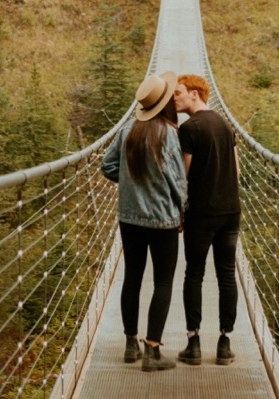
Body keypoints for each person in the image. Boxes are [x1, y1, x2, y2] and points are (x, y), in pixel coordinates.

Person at [101, 71, 187, 372]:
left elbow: (107, 165)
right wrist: (182, 212)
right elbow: (178, 181)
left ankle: (130, 344)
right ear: (164, 104)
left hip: (129, 218)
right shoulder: (170, 134)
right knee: (163, 282)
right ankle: (152, 351)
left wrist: (126, 182)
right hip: (163, 220)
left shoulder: (127, 131)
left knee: (132, 278)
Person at [173, 73, 241, 366]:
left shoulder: (188, 128)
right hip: (230, 211)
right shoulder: (225, 124)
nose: (174, 99)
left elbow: (182, 177)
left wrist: (178, 212)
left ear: (194, 94)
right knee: (227, 274)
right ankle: (225, 344)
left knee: (194, 273)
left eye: (178, 93)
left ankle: (194, 343)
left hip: (200, 213)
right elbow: (236, 171)